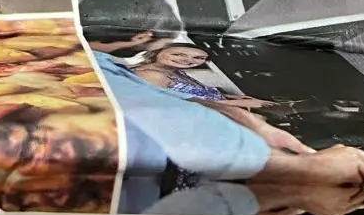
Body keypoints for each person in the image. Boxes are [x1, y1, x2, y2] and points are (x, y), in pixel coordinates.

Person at [79, 0, 364, 213]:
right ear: (142, 37)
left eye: (195, 59)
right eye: (170, 48)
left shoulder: (102, 67)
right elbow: (179, 120)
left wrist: (258, 125)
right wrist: (303, 171)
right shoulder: (126, 74)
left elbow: (193, 102)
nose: (186, 60)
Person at [128, 41, 312, 157]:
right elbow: (173, 107)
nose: (188, 60)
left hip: (220, 112)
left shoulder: (172, 72)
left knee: (286, 111)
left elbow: (196, 93)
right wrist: (234, 104)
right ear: (157, 52)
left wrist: (233, 97)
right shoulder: (149, 75)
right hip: (199, 126)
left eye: (199, 58)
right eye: (178, 54)